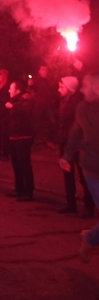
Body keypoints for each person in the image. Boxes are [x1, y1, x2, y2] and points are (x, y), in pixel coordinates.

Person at [59, 73, 99, 263]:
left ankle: (90, 237)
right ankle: (91, 238)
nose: (81, 90)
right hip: (93, 169)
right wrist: (66, 156)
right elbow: (76, 132)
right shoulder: (82, 108)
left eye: (85, 86)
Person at [55, 76, 93, 217]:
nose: (59, 90)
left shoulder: (79, 103)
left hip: (78, 144)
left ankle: (89, 206)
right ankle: (71, 203)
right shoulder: (63, 101)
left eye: (61, 87)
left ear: (69, 88)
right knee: (67, 174)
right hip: (65, 141)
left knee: (83, 175)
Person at [5, 79, 36, 202]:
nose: (9, 90)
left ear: (17, 90)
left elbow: (26, 112)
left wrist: (13, 106)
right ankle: (18, 189)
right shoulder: (15, 100)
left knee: (25, 165)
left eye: (11, 88)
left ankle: (29, 192)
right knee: (16, 165)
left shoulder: (26, 99)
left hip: (23, 137)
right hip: (14, 136)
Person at [31, 65, 59, 146]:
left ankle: (50, 140)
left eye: (46, 70)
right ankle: (31, 140)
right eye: (42, 70)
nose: (44, 71)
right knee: (35, 124)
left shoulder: (51, 80)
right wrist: (30, 85)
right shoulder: (36, 81)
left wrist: (53, 99)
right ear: (39, 71)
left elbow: (54, 90)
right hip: (39, 105)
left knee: (53, 122)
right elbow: (32, 88)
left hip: (48, 105)